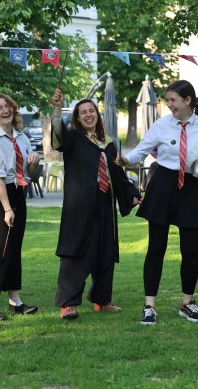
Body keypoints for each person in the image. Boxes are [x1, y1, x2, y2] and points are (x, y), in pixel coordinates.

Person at [117, 80, 198, 325]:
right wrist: (125, 160)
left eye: (173, 100)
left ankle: (187, 303)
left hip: (190, 188)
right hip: (162, 186)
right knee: (156, 249)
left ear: (187, 100)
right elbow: (141, 151)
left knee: (190, 251)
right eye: (168, 100)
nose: (169, 104)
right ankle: (149, 306)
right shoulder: (161, 125)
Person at [49, 90, 141, 320]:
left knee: (104, 251)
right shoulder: (72, 139)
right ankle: (67, 304)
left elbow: (117, 174)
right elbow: (58, 134)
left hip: (104, 204)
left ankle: (102, 299)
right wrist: (57, 109)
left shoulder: (108, 144)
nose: (88, 115)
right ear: (77, 118)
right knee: (76, 251)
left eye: (92, 111)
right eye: (83, 112)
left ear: (97, 115)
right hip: (79, 206)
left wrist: (131, 193)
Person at [0, 93, 39, 320]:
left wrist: (33, 164)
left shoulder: (22, 138)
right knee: (2, 247)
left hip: (17, 190)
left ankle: (15, 302)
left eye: (8, 106)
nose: (5, 111)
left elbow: (28, 172)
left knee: (14, 247)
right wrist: (7, 208)